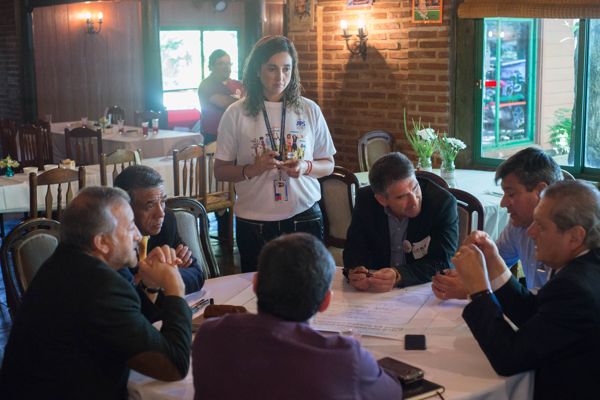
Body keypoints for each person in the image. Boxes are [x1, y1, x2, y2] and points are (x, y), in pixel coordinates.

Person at [0, 187, 191, 399]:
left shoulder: (66, 264)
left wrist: (151, 285)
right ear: (102, 242)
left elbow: (132, 332)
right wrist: (175, 288)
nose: (138, 236)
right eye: (130, 227)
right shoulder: (100, 287)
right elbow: (173, 366)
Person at [192, 232, 403, 399]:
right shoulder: (345, 358)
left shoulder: (210, 335)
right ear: (326, 301)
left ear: (255, 285)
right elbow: (393, 392)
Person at [452, 180, 600, 399]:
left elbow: (509, 358)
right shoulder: (584, 265)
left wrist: (479, 290)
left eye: (541, 226)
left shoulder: (575, 288)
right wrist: (495, 264)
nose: (530, 232)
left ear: (575, 236)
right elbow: (537, 316)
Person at [214, 35, 336, 272]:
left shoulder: (309, 109)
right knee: (259, 290)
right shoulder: (236, 113)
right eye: (272, 68)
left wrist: (305, 167)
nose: (280, 77)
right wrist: (253, 169)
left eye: (286, 69)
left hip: (304, 215)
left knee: (309, 286)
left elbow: (328, 164)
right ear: (257, 71)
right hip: (254, 221)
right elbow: (220, 171)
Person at [432, 147, 563, 299]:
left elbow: (544, 305)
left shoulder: (564, 237)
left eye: (511, 194)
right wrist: (463, 275)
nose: (503, 203)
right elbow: (494, 266)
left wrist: (474, 290)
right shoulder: (518, 224)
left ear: (541, 192)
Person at [343, 152, 458, 292]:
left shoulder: (442, 203)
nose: (414, 201)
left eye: (415, 188)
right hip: (374, 292)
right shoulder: (366, 200)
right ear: (381, 200)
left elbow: (442, 262)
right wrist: (355, 272)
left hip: (423, 289)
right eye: (401, 197)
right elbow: (353, 250)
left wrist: (399, 275)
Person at [114, 165, 205, 294]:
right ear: (126, 208)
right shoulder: (114, 239)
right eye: (150, 205)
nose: (161, 213)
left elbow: (197, 275)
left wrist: (164, 275)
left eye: (162, 201)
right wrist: (164, 277)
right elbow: (124, 295)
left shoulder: (167, 221)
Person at [197, 49, 243, 145]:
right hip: (214, 136)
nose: (226, 67)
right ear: (211, 67)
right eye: (221, 64)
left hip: (237, 134)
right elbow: (225, 103)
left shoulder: (237, 84)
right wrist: (246, 98)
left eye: (228, 63)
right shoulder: (206, 85)